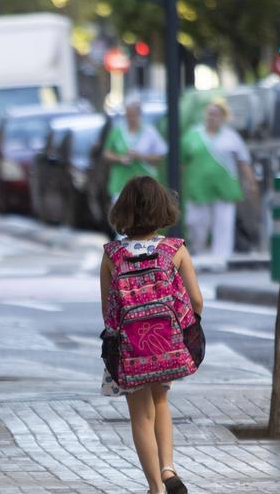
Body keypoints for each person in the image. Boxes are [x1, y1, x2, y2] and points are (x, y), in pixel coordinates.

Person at [100, 176, 203, 494]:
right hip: (166, 342)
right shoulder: (174, 249)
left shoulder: (112, 254)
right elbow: (197, 300)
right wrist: (190, 324)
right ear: (163, 209)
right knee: (161, 402)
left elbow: (107, 309)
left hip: (131, 349)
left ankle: (156, 488)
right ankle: (168, 469)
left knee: (140, 415)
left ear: (123, 211)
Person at [181, 100, 257, 262]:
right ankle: (198, 252)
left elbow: (243, 161)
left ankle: (221, 259)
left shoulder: (231, 137)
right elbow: (181, 162)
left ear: (222, 117)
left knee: (223, 225)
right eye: (210, 113)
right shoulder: (193, 134)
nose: (212, 117)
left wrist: (251, 182)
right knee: (196, 223)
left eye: (216, 114)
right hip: (197, 189)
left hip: (225, 189)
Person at [102, 100, 168, 202]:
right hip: (120, 186)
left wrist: (140, 156)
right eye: (128, 115)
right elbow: (106, 154)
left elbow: (160, 156)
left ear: (139, 115)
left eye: (133, 115)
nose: (130, 119)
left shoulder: (149, 132)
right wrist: (120, 159)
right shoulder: (117, 131)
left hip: (144, 188)